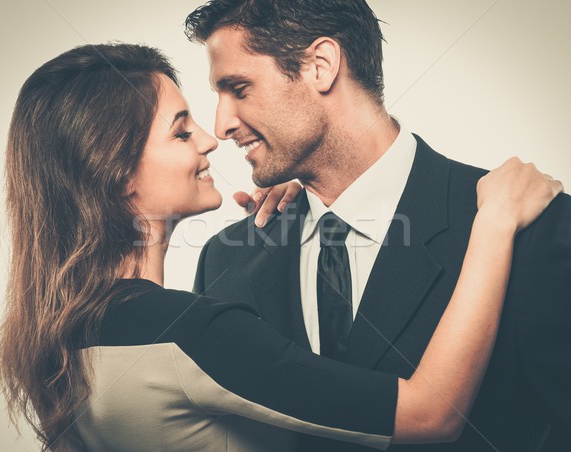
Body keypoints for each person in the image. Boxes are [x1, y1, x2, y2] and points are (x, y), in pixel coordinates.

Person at [0, 43, 561, 452]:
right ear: (117, 174)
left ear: (321, 66)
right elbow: (430, 412)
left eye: (237, 88)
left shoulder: (71, 332)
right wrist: (493, 226)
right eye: (181, 129)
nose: (215, 132)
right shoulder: (198, 315)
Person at [185, 1, 571, 451]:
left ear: (321, 66)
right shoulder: (226, 259)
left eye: (239, 88)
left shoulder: (530, 227)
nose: (221, 123)